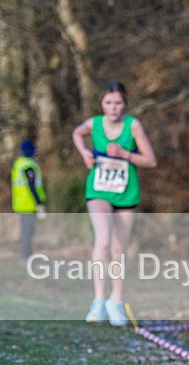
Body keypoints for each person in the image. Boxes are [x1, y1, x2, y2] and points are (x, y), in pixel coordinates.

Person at [72, 80, 157, 326]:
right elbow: (77, 133)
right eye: (109, 103)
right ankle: (98, 300)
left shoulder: (133, 126)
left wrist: (125, 155)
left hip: (126, 192)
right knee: (103, 241)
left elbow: (150, 160)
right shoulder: (94, 123)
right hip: (98, 189)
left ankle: (115, 301)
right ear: (102, 104)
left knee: (119, 248)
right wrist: (84, 153)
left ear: (125, 104)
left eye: (118, 103)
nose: (113, 108)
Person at [11, 140, 47, 262]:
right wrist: (39, 203)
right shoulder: (28, 165)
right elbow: (32, 186)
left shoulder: (19, 163)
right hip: (28, 203)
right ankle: (26, 256)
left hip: (20, 203)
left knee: (26, 231)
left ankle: (27, 255)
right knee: (27, 231)